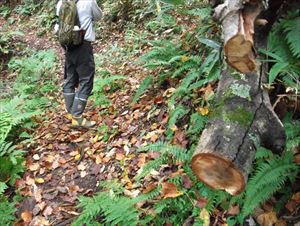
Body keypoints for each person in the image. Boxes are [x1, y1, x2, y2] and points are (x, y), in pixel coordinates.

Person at [56, 0, 102, 129]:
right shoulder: (88, 1)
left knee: (70, 77)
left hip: (68, 46)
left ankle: (71, 113)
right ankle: (77, 117)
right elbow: (99, 16)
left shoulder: (61, 3)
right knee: (86, 80)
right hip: (83, 46)